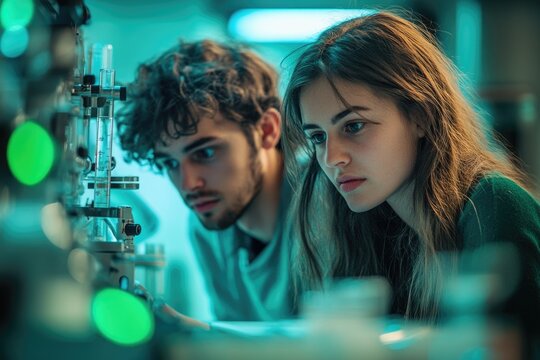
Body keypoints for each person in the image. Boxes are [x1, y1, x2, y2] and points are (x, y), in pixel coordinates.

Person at [281, 11, 539, 348]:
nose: (332, 158)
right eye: (317, 137)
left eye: (354, 126)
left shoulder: (492, 205)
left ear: (420, 115)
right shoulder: (370, 227)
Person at [116, 39, 295, 323]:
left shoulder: (326, 200)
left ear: (267, 130)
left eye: (206, 152)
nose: (188, 185)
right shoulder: (207, 227)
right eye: (170, 163)